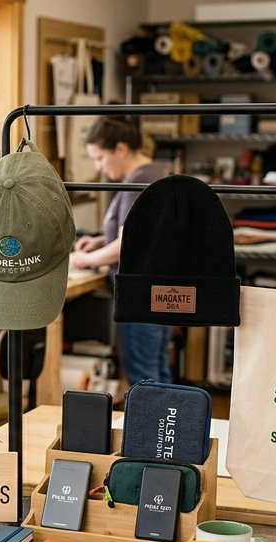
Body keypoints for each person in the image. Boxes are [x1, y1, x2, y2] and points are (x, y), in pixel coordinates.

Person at [69, 117, 173, 385]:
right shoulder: (152, 173)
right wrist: (99, 240)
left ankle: (153, 416)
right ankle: (168, 415)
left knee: (143, 379)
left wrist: (84, 259)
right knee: (157, 374)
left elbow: (128, 244)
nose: (98, 167)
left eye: (100, 158)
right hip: (154, 293)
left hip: (139, 295)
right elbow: (143, 233)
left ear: (121, 149)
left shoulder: (138, 181)